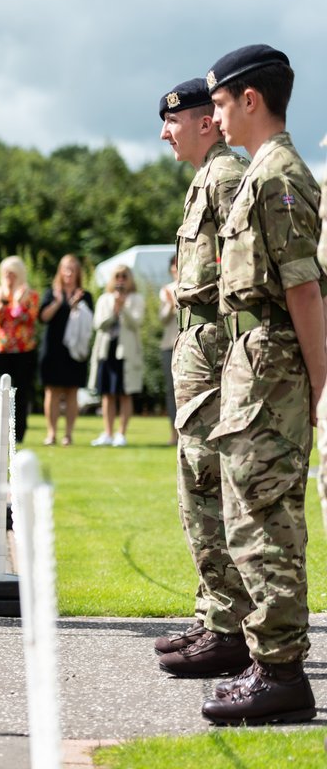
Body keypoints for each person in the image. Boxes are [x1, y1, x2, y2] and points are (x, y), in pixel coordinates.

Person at [199, 45, 324, 726]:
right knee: (248, 512)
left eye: (219, 104)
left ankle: (282, 674)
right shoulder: (259, 174)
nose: (213, 116)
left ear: (251, 101)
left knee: (267, 518)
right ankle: (264, 659)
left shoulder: (279, 176)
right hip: (255, 357)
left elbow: (305, 290)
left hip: (276, 362)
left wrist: (318, 387)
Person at [151, 77, 252, 680]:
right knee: (197, 484)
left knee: (211, 487)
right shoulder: (207, 178)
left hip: (215, 354)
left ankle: (228, 629)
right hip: (198, 347)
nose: (166, 132)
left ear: (205, 123)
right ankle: (215, 614)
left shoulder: (226, 177)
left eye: (173, 121)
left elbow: (245, 267)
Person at [38, 254, 94, 446]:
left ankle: (68, 434)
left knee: (72, 391)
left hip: (74, 350)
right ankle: (51, 433)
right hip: (53, 349)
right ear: (60, 271)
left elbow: (90, 322)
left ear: (78, 272)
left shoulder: (85, 296)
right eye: (65, 268)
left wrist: (77, 306)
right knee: (52, 391)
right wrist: (58, 302)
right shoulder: (51, 293)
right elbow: (43, 317)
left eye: (73, 268)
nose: (69, 272)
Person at [88, 265, 144, 447]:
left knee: (125, 393)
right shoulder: (104, 299)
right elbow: (99, 324)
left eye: (124, 276)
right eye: (117, 276)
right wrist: (114, 309)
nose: (121, 280)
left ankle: (121, 433)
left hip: (125, 353)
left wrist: (123, 308)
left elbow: (136, 323)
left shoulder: (136, 299)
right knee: (107, 394)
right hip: (107, 350)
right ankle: (108, 432)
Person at [0, 255, 39, 444]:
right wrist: (6, 301)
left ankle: (19, 433)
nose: (9, 277)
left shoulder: (30, 295)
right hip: (0, 349)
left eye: (13, 274)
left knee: (22, 392)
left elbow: (30, 318)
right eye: (6, 274)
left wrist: (18, 302)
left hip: (24, 350)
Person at [158, 254, 179, 446]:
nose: (176, 268)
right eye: (173, 265)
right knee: (171, 392)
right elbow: (162, 319)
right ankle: (173, 434)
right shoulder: (165, 290)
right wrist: (169, 305)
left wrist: (175, 303)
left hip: (187, 345)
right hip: (168, 346)